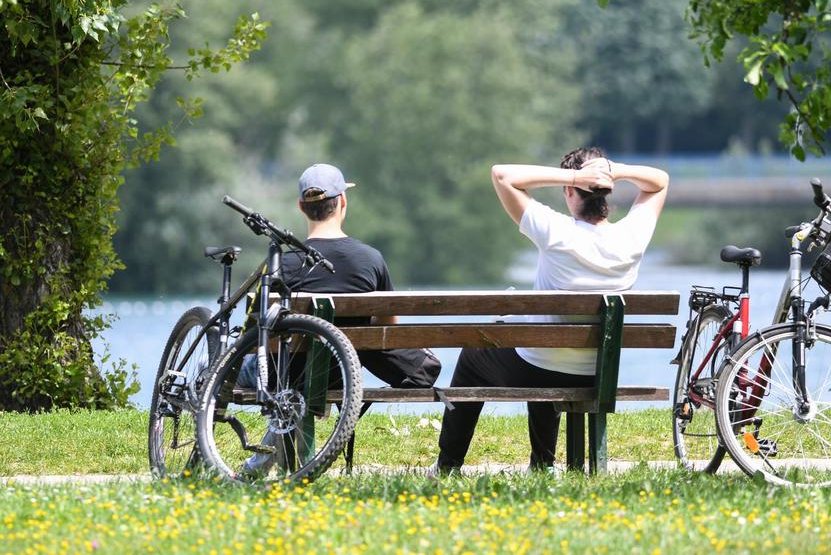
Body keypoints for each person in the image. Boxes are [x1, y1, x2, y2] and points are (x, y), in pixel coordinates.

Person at [432, 147, 668, 474]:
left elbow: (502, 173)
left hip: (538, 366)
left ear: (570, 192)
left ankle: (447, 466)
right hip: (595, 372)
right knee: (537, 342)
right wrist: (615, 169)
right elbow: (660, 181)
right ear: (607, 191)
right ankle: (541, 465)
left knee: (477, 354)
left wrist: (572, 175)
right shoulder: (632, 237)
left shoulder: (556, 232)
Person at [241, 163, 441, 474]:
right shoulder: (371, 259)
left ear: (301, 207)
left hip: (284, 378)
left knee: (232, 364)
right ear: (343, 202)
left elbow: (256, 339)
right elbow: (389, 329)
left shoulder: (284, 262)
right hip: (340, 374)